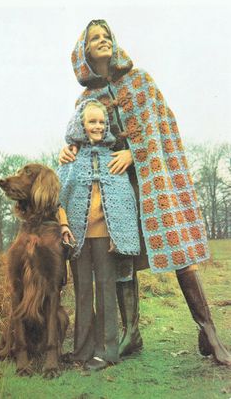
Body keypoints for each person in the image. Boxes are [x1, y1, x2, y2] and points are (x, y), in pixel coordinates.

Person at [59, 19, 231, 365]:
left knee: (180, 251)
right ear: (84, 51)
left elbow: (162, 127)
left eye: (107, 36)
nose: (103, 41)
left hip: (153, 178)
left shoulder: (141, 82)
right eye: (95, 38)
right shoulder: (86, 98)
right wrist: (68, 151)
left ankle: (209, 332)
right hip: (114, 185)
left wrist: (133, 152)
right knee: (121, 254)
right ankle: (131, 333)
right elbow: (79, 135)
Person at [57, 99, 140, 371]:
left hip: (107, 236)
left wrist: (122, 232)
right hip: (78, 237)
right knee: (82, 292)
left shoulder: (114, 157)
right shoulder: (71, 156)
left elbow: (125, 196)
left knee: (106, 289)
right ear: (82, 125)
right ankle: (82, 350)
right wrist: (63, 225)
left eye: (102, 122)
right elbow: (59, 196)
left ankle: (107, 352)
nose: (98, 126)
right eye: (92, 122)